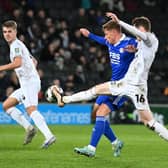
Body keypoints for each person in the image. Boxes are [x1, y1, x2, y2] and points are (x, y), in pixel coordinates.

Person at [53, 13, 168, 154]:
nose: (135, 34)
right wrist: (90, 35)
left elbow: (140, 35)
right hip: (129, 84)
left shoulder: (150, 39)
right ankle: (65, 100)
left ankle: (64, 99)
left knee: (95, 94)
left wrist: (119, 22)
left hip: (133, 86)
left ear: (142, 29)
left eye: (136, 30)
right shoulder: (140, 45)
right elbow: (111, 41)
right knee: (148, 123)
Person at [55, 20, 137, 157]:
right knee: (96, 112)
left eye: (107, 34)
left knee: (100, 113)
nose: (105, 37)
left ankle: (91, 148)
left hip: (122, 88)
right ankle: (116, 142)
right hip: (111, 85)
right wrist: (89, 35)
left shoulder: (129, 43)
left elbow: (141, 45)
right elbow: (100, 40)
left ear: (115, 32)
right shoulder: (109, 43)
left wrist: (137, 49)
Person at [1, 20, 56, 148]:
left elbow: (17, 63)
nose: (7, 34)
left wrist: (1, 68)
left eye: (10, 31)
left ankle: (49, 136)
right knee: (7, 105)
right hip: (28, 82)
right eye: (4, 32)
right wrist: (30, 70)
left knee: (31, 110)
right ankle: (29, 128)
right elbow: (34, 60)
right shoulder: (18, 44)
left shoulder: (15, 45)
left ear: (15, 32)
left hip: (30, 83)